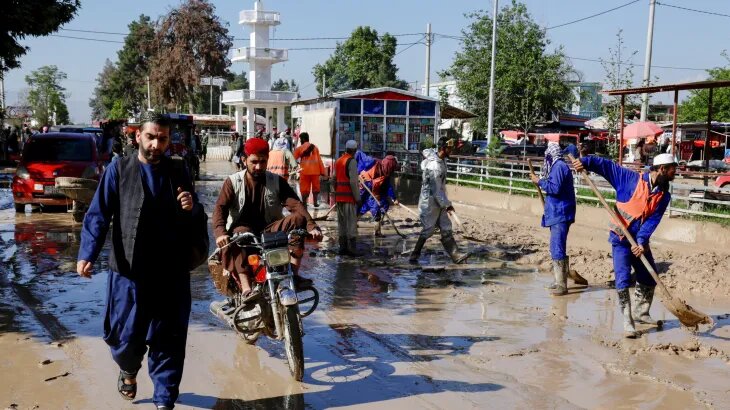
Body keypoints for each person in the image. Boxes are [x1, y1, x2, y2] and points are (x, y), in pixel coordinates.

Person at [76, 112, 207, 409]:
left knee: (170, 341)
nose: (156, 144)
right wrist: (87, 253)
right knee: (124, 338)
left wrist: (191, 206)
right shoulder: (118, 170)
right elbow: (98, 215)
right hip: (129, 274)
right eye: (151, 137)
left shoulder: (179, 170)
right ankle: (128, 368)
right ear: (138, 136)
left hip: (171, 273)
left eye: (162, 139)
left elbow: (195, 212)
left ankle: (164, 400)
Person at [571, 153, 677, 338]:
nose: (674, 173)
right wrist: (585, 162)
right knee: (623, 279)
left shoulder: (663, 195)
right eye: (672, 170)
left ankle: (640, 313)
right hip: (620, 238)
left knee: (649, 276)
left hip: (639, 242)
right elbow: (605, 165)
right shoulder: (629, 179)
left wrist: (642, 243)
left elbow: (652, 221)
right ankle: (628, 321)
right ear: (661, 169)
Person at [212, 137, 323, 304]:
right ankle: (247, 288)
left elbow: (296, 204)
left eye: (263, 162)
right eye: (254, 161)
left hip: (269, 230)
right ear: (244, 160)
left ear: (267, 160)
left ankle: (293, 274)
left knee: (298, 219)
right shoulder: (232, 182)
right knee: (238, 234)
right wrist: (220, 233)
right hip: (242, 232)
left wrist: (312, 225)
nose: (258, 166)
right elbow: (220, 209)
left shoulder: (276, 181)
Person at [530, 143, 579, 296]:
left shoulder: (559, 167)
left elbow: (555, 188)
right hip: (557, 212)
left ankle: (561, 285)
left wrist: (539, 181)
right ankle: (559, 280)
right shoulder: (558, 166)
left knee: (557, 246)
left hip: (561, 212)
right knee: (555, 246)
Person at [409, 138, 468, 265]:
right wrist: (447, 205)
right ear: (442, 149)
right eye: (449, 148)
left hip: (439, 199)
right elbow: (435, 190)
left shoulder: (441, 161)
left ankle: (455, 255)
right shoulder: (435, 166)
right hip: (430, 202)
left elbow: (439, 188)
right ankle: (414, 254)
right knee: (428, 230)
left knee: (446, 226)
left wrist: (445, 203)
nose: (451, 150)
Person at [332, 140, 362, 256]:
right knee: (351, 224)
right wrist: (358, 198)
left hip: (339, 198)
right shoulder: (352, 161)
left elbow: (333, 179)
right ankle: (352, 250)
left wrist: (336, 192)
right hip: (349, 198)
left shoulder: (339, 160)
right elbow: (353, 182)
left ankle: (342, 248)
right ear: (354, 150)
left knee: (342, 224)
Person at [359, 151, 399, 236]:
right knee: (369, 207)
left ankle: (377, 228)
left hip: (376, 189)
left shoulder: (386, 171)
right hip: (366, 186)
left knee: (383, 205)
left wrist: (393, 198)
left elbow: (388, 186)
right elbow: (361, 167)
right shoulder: (373, 163)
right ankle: (376, 230)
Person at [293, 132, 325, 207]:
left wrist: (295, 167)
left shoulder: (299, 149)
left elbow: (293, 158)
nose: (300, 141)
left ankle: (304, 203)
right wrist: (322, 171)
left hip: (304, 171)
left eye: (300, 139)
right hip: (315, 171)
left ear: (303, 139)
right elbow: (319, 160)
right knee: (316, 187)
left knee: (304, 188)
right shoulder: (315, 147)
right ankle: (315, 203)